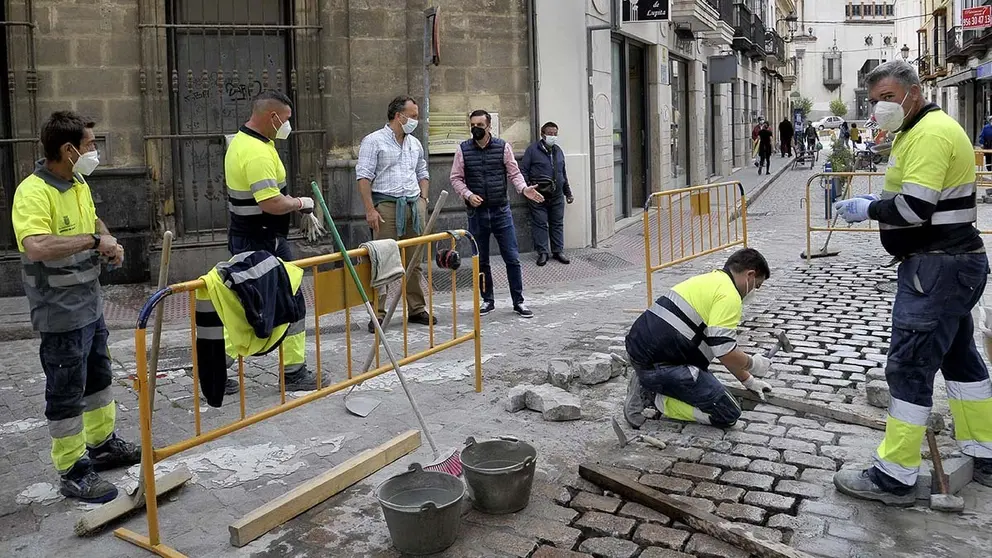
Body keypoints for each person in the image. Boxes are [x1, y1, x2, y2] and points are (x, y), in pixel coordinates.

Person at [831, 60, 992, 506]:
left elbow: (914, 208)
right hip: (952, 265)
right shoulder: (918, 130)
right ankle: (984, 452)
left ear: (913, 94)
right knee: (961, 360)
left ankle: (894, 476)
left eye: (886, 97)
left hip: (936, 269)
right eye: (873, 100)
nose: (879, 107)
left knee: (908, 366)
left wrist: (868, 209)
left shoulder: (929, 133)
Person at [11, 111, 141, 503]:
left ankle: (101, 446)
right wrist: (91, 241)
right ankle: (73, 470)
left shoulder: (77, 181)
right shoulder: (33, 192)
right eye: (89, 145)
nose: (94, 151)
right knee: (66, 391)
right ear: (67, 150)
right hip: (59, 311)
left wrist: (108, 239)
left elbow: (94, 221)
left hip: (90, 303)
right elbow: (36, 245)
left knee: (98, 380)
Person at [224, 90, 318, 391]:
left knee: (250, 304)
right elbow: (270, 203)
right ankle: (293, 373)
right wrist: (300, 203)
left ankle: (213, 366)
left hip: (260, 238)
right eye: (286, 119)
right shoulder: (255, 152)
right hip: (260, 241)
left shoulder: (252, 142)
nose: (288, 125)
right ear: (272, 117)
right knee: (274, 305)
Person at [622, 248, 773, 430]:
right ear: (750, 275)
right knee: (727, 413)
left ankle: (647, 377)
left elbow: (720, 347)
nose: (754, 291)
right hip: (662, 365)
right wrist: (753, 364)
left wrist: (749, 381)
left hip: (642, 352)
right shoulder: (729, 296)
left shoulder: (712, 280)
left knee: (702, 377)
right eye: (757, 285)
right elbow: (725, 352)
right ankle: (655, 397)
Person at [449, 109, 544, 318]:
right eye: (472, 125)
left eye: (480, 126)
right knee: (481, 260)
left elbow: (514, 173)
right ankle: (487, 300)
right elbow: (456, 178)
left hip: (501, 211)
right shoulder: (463, 150)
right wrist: (467, 194)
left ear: (489, 126)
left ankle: (518, 301)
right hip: (477, 213)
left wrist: (524, 189)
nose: (476, 129)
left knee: (512, 258)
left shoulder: (503, 147)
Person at [356, 95, 434, 333]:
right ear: (399, 116)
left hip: (413, 205)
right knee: (382, 260)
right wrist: (370, 209)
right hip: (386, 206)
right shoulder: (374, 141)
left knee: (414, 261)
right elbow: (364, 176)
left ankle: (417, 308)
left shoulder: (414, 143)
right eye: (413, 116)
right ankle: (378, 313)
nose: (416, 120)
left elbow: (422, 170)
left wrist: (423, 199)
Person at [520, 122, 573, 266]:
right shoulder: (532, 150)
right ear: (542, 134)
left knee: (557, 223)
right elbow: (523, 170)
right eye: (550, 133)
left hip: (556, 195)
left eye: (555, 133)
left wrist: (568, 193)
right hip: (538, 195)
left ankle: (558, 251)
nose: (553, 136)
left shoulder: (558, 151)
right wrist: (529, 187)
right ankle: (543, 253)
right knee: (540, 224)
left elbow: (563, 173)